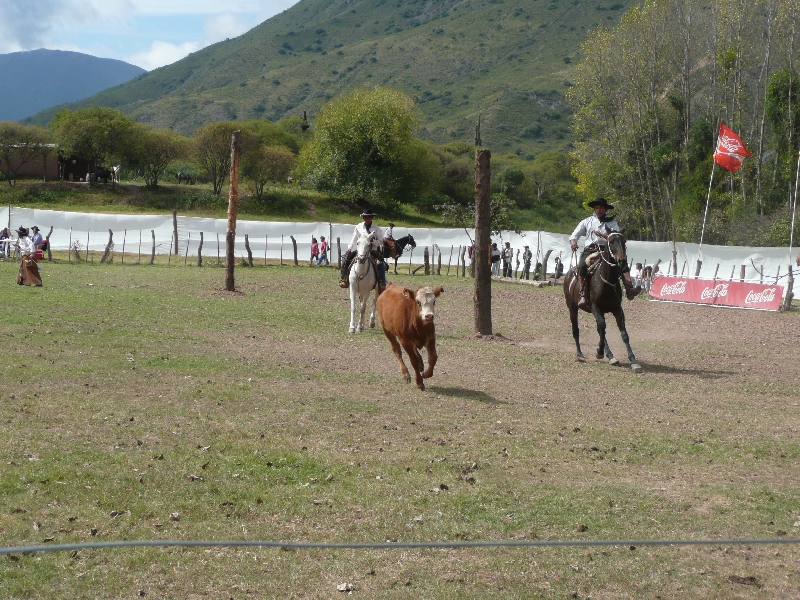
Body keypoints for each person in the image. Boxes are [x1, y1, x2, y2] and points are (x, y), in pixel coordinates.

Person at [569, 197, 640, 311]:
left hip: (608, 250)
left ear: (606, 209)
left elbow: (617, 237)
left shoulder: (612, 223)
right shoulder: (587, 221)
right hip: (591, 250)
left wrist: (603, 236)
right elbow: (574, 234)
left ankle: (629, 288)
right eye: (597, 208)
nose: (599, 210)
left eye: (601, 208)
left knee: (622, 262)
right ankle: (583, 294)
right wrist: (573, 242)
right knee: (582, 265)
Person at [339, 209, 385, 291]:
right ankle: (345, 279)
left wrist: (372, 241)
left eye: (369, 217)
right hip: (360, 251)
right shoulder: (358, 227)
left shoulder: (377, 228)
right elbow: (354, 239)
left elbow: (381, 241)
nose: (367, 219)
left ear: (371, 218)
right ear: (363, 218)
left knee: (381, 264)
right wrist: (349, 248)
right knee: (346, 260)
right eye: (365, 217)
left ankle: (381, 283)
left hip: (372, 251)